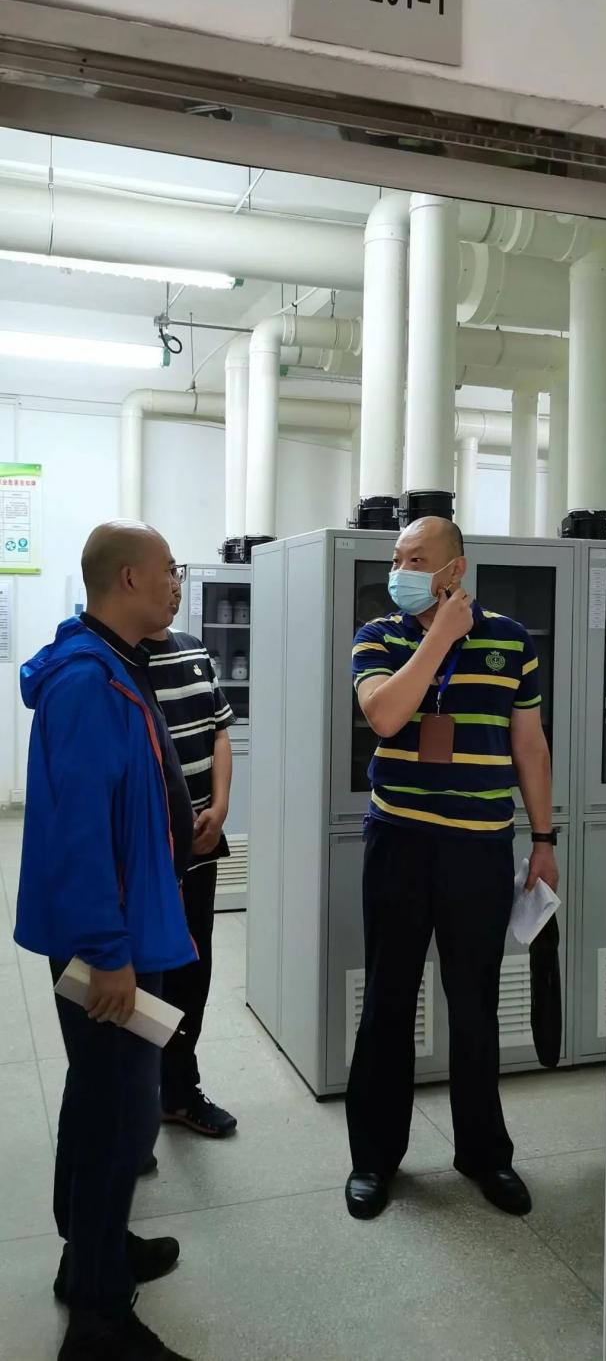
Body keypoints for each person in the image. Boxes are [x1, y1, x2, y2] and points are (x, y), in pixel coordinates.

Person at [15, 521, 196, 1361]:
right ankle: (98, 1318)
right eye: (169, 570)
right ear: (128, 578)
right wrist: (109, 953)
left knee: (106, 1098)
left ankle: (91, 1250)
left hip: (129, 926)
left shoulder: (116, 661)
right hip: (109, 940)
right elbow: (80, 832)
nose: (177, 583)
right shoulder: (88, 681)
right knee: (117, 1110)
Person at [345, 516, 559, 1223]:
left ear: (455, 568)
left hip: (479, 848)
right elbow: (384, 715)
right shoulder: (379, 636)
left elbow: (529, 746)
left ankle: (484, 1153)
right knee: (387, 1001)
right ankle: (374, 1157)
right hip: (399, 843)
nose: (400, 570)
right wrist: (439, 636)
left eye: (416, 558)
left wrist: (544, 839)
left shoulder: (511, 641)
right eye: (396, 558)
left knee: (474, 1005)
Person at [142, 571, 237, 1139]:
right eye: (165, 575)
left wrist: (220, 808)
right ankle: (139, 1099)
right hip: (149, 857)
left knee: (193, 972)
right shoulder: (120, 662)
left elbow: (219, 732)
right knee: (146, 977)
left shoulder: (194, 650)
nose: (176, 587)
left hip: (200, 847)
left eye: (178, 574)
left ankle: (178, 1090)